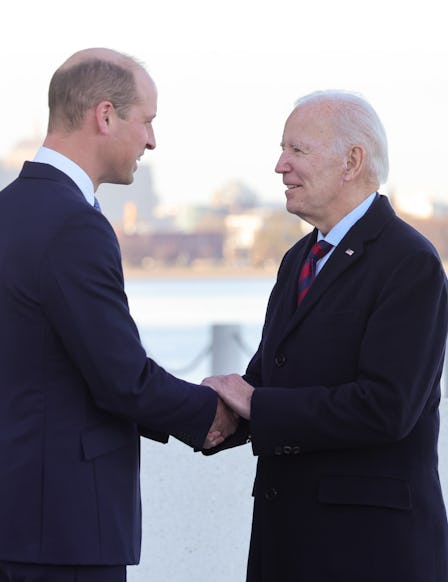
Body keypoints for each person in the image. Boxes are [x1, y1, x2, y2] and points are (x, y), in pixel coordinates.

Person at [0, 48, 236, 582]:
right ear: (105, 116)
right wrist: (217, 417)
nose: (151, 140)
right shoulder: (74, 225)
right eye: (147, 121)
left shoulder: (9, 211)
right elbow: (121, 378)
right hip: (61, 532)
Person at [202, 90, 448, 581]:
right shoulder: (299, 259)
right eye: (283, 149)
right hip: (289, 544)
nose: (280, 166)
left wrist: (255, 407)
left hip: (368, 552)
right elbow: (263, 384)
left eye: (297, 150)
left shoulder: (410, 263)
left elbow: (386, 408)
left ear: (352, 161)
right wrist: (202, 414)